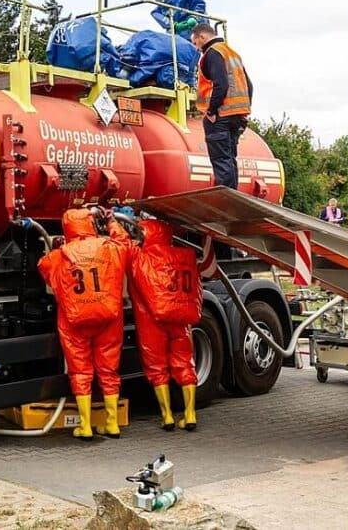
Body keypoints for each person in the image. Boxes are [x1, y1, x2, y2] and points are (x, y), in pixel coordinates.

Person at [38, 208, 131, 440]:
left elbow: (43, 266)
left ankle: (85, 426)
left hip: (75, 321)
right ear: (90, 225)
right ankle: (112, 424)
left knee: (80, 372)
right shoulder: (109, 247)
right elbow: (125, 242)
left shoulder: (60, 256)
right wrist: (110, 221)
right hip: (108, 318)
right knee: (109, 371)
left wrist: (60, 246)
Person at [126, 219, 203, 431]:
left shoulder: (140, 258)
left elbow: (120, 243)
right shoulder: (185, 256)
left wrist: (113, 222)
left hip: (152, 321)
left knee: (157, 367)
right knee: (185, 363)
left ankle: (167, 415)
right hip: (180, 317)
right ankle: (190, 413)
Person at [190, 23, 253, 189]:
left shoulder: (212, 53)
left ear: (202, 37)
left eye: (195, 43)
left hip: (220, 116)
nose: (196, 48)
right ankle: (232, 197)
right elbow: (249, 85)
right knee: (230, 159)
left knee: (221, 160)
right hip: (237, 115)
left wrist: (211, 110)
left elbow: (221, 84)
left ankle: (225, 199)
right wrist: (245, 109)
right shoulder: (232, 53)